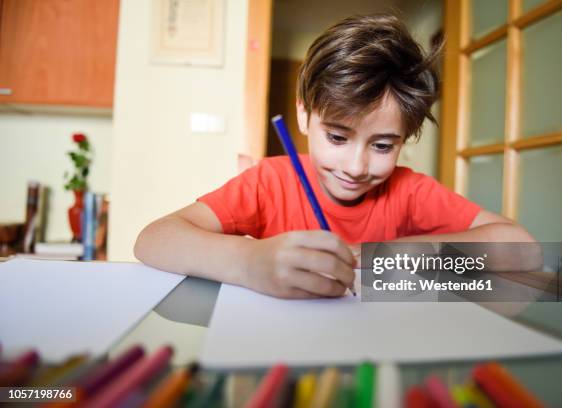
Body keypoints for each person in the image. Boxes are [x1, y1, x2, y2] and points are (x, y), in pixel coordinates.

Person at [134, 14, 535, 299]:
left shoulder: (409, 190)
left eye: (382, 146)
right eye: (338, 137)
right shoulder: (270, 181)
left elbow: (522, 248)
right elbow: (153, 239)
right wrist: (250, 261)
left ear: (404, 138)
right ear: (304, 116)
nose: (357, 167)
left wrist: (379, 258)